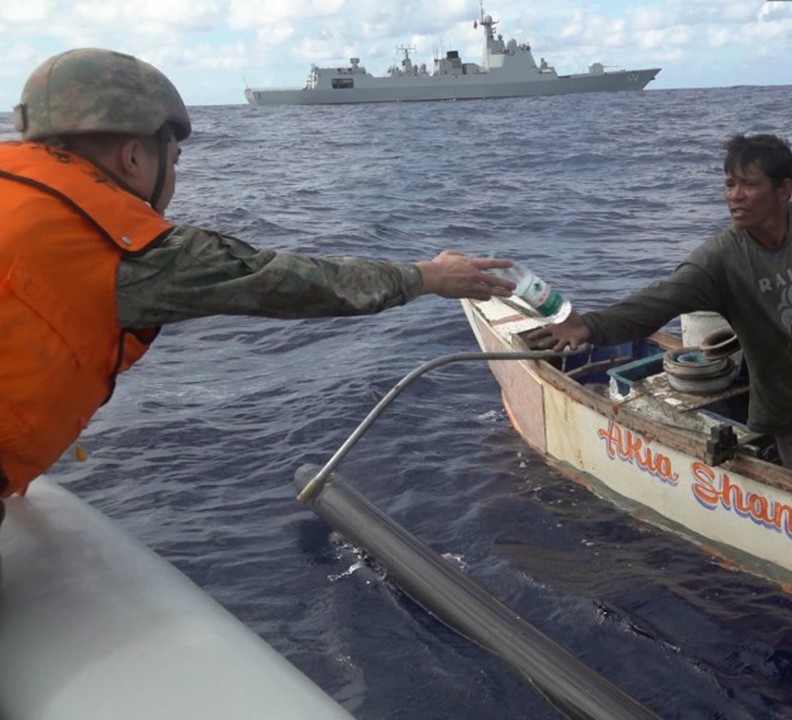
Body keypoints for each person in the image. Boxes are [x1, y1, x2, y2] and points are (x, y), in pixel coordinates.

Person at [0, 48, 516, 505]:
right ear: (134, 156)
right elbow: (290, 281)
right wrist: (429, 276)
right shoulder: (120, 248)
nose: (175, 178)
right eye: (173, 160)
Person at [533, 133, 792, 476]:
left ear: (784, 189)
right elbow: (656, 302)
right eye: (729, 184)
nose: (735, 196)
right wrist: (586, 326)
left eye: (749, 184)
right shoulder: (719, 260)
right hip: (790, 406)